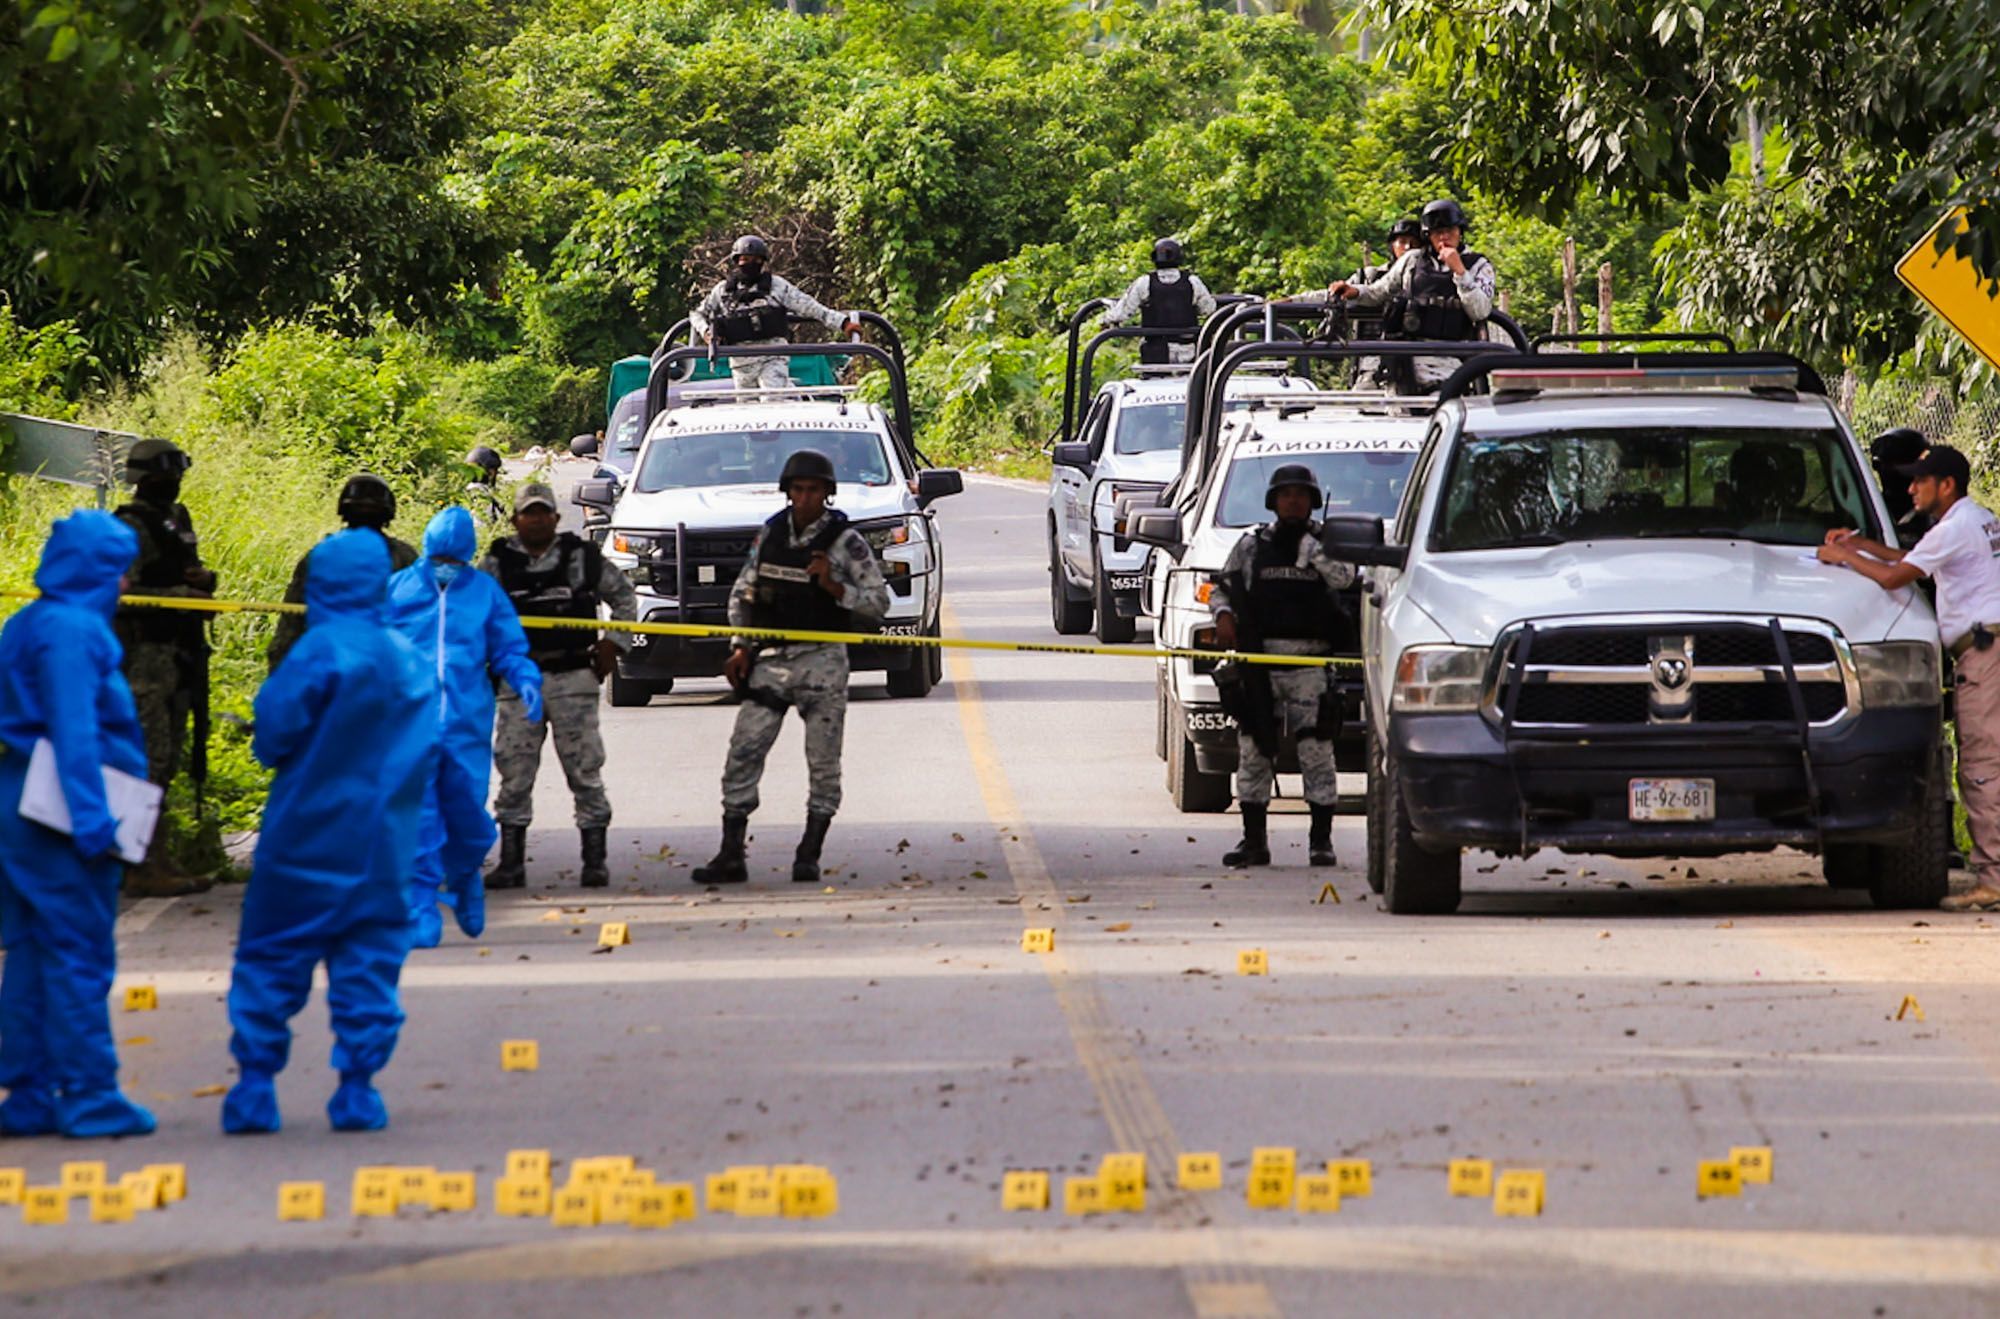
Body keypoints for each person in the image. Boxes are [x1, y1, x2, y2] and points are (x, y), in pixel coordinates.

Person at [223, 532, 438, 1134]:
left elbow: (272, 736)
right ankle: (357, 1088)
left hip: (304, 838)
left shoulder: (316, 653)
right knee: (369, 964)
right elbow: (438, 759)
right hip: (383, 850)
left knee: (271, 955)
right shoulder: (409, 659)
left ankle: (254, 1087)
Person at [0, 511, 157, 1137]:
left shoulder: (28, 622)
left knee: (36, 954)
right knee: (78, 954)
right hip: (63, 811)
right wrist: (94, 820)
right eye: (117, 572)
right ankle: (89, 1094)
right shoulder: (72, 632)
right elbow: (74, 729)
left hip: (22, 800)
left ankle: (31, 1092)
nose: (122, 585)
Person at [691, 449, 890, 887]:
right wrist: (741, 646)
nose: (804, 499)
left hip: (822, 661)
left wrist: (834, 586)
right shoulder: (772, 533)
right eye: (797, 490)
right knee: (743, 751)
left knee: (822, 762)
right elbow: (744, 591)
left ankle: (809, 853)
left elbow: (878, 603)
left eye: (813, 490)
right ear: (787, 491)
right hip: (773, 660)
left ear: (827, 493)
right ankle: (731, 854)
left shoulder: (845, 542)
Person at [1817, 444, 2000, 911]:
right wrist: (1859, 544)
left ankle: (1993, 879)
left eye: (1921, 480)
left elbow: (1896, 576)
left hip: (1984, 655)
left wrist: (1842, 557)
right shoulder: (1975, 520)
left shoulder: (1955, 526)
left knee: (1981, 766)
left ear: (1947, 485)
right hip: (1991, 646)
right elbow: (1913, 557)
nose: (1910, 488)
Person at [388, 507, 544, 947]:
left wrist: (526, 680)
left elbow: (509, 647)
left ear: (466, 558)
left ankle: (463, 879)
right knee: (418, 816)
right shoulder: (396, 591)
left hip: (465, 723)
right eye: (441, 560)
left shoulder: (484, 594)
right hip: (409, 724)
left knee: (468, 816)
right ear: (427, 550)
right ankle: (420, 905)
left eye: (454, 563)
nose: (447, 571)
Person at [480, 482, 639, 890]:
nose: (535, 520)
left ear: (554, 517)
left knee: (584, 771)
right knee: (514, 773)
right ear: (516, 520)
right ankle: (512, 862)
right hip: (520, 683)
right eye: (527, 513)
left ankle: (594, 861)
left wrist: (613, 643)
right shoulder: (498, 562)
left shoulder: (581, 557)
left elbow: (624, 596)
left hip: (573, 678)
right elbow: (473, 613)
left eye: (543, 512)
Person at [1208, 465, 1356, 869]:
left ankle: (1320, 842)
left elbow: (1345, 580)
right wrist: (1223, 615)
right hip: (1261, 661)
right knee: (1253, 749)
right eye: (1286, 494)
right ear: (1274, 501)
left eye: (1301, 494)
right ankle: (1253, 841)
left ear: (1312, 501)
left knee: (1317, 751)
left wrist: (1314, 553)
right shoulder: (1253, 545)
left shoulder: (1327, 543)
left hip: (1310, 662)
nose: (1293, 500)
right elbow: (1222, 587)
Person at [113, 438, 215, 898]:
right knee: (146, 761)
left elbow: (186, 571)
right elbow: (125, 592)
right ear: (146, 478)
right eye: (166, 474)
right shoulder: (130, 526)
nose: (174, 482)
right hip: (145, 658)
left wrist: (201, 583)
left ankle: (153, 856)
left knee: (168, 757)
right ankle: (136, 864)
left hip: (179, 653)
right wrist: (179, 593)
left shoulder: (176, 520)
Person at [1325, 199, 1497, 391]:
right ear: (1428, 235)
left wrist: (1460, 273)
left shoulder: (1479, 266)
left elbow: (1480, 311)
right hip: (1404, 355)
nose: (1444, 237)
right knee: (1373, 397)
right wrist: (1355, 291)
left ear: (1460, 231)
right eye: (1438, 232)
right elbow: (1379, 291)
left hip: (1450, 358)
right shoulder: (1412, 260)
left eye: (1450, 231)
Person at [268, 474, 420, 672]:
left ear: (344, 511)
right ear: (388, 515)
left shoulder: (320, 557)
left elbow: (292, 622)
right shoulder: (404, 557)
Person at [690, 236, 858, 393]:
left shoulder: (776, 286)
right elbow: (697, 314)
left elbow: (809, 306)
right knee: (747, 410)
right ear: (737, 261)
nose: (750, 264)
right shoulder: (723, 291)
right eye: (745, 259)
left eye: (755, 260)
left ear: (763, 262)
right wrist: (706, 331)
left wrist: (842, 323)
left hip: (772, 357)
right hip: (741, 363)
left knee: (773, 398)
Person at [1100, 238, 1218, 365]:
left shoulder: (1144, 283)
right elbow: (1209, 309)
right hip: (1190, 351)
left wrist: (1105, 320)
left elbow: (1121, 313)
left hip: (1155, 353)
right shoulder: (1193, 282)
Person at [1870, 428, 1936, 543]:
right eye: (1880, 465)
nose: (1886, 471)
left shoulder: (1935, 515)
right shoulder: (1871, 508)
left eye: (1895, 465)